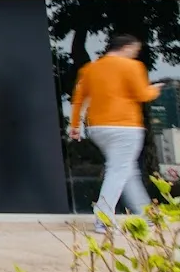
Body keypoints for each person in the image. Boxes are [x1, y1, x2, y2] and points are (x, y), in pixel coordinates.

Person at [68, 34, 162, 233]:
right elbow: (142, 94)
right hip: (125, 127)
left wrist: (75, 125)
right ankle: (103, 219)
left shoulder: (89, 69)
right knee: (119, 170)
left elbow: (78, 99)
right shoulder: (132, 66)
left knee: (127, 170)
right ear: (126, 48)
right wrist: (154, 90)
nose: (135, 54)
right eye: (135, 50)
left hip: (98, 128)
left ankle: (145, 215)